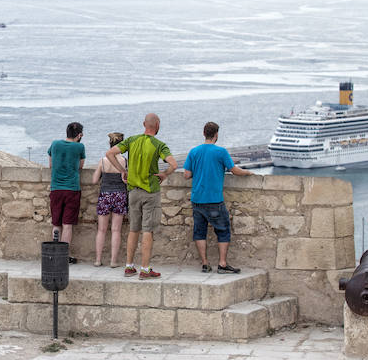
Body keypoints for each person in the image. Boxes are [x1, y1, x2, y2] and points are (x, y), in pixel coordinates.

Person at [106, 113, 177, 280]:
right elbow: (173, 164)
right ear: (157, 125)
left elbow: (110, 153)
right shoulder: (159, 145)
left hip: (133, 191)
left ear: (144, 124)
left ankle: (129, 267)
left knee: (133, 229)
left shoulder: (132, 140)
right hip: (150, 191)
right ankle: (145, 269)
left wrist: (124, 171)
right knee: (148, 230)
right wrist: (165, 174)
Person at [183, 121, 253, 274]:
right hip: (214, 199)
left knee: (199, 232)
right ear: (216, 135)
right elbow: (234, 170)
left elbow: (186, 175)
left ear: (204, 133)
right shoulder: (221, 152)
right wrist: (248, 173)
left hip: (197, 199)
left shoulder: (194, 152)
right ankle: (222, 264)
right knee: (223, 230)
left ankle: (205, 263)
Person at [48, 122, 85, 264]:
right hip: (72, 189)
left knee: (56, 223)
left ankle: (55, 254)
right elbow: (80, 166)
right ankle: (64, 256)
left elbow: (51, 165)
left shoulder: (55, 144)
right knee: (67, 224)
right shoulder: (80, 146)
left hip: (56, 188)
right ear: (80, 135)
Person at [91, 132, 127, 268]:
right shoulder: (125, 161)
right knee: (116, 230)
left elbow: (94, 180)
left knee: (101, 230)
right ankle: (113, 261)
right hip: (119, 195)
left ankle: (98, 259)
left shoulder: (103, 160)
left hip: (105, 195)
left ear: (110, 143)